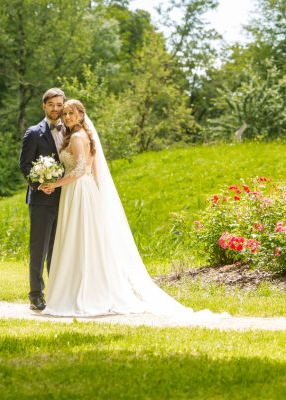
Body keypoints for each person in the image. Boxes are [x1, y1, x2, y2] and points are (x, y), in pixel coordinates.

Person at [39, 99, 194, 317]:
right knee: (87, 240)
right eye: (64, 114)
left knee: (77, 239)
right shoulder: (85, 135)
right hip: (84, 191)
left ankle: (79, 293)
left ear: (81, 115)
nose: (66, 117)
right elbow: (91, 171)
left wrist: (54, 184)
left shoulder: (75, 137)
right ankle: (87, 289)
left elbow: (80, 170)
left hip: (78, 191)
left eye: (71, 113)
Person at [19, 88, 65, 311]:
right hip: (41, 200)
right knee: (40, 248)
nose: (56, 109)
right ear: (44, 106)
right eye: (51, 105)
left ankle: (57, 292)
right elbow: (25, 165)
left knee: (58, 249)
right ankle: (35, 294)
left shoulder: (71, 130)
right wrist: (39, 184)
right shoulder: (33, 133)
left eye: (59, 105)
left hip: (66, 199)